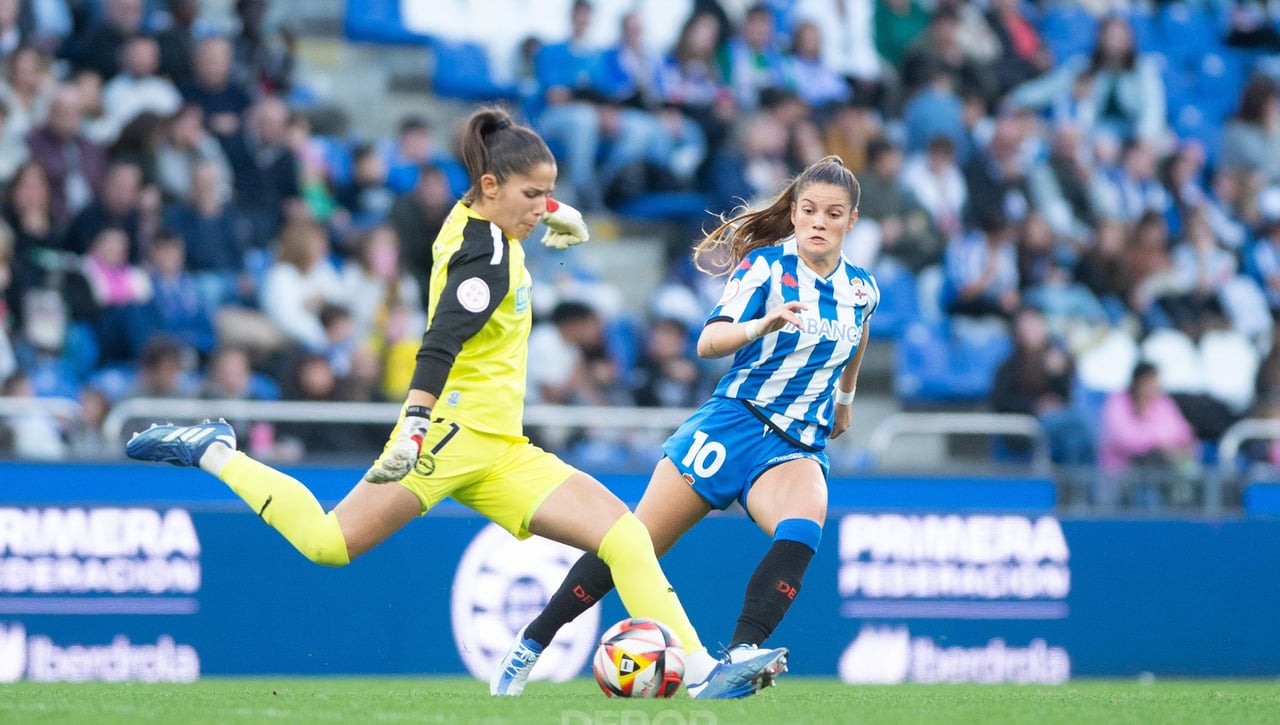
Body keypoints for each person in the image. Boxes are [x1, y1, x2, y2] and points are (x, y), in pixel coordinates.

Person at [124, 106, 784, 700]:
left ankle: (699, 672)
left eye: (548, 194)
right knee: (327, 543)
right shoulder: (485, 259)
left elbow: (524, 204)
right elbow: (439, 341)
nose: (542, 207)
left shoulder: (477, 207)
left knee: (625, 533)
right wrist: (413, 425)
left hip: (502, 448)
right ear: (493, 188)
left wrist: (560, 214)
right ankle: (213, 450)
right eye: (535, 195)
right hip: (444, 439)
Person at [491, 155, 876, 696]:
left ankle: (738, 656)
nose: (818, 222)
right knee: (634, 541)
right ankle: (531, 642)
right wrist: (759, 324)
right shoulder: (765, 268)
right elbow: (707, 341)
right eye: (808, 209)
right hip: (732, 424)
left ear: (850, 222)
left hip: (794, 444)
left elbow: (858, 335)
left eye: (832, 214)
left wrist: (845, 398)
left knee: (804, 524)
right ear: (792, 213)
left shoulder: (862, 289)